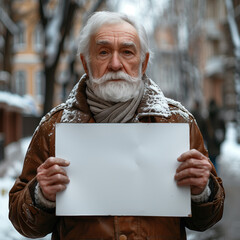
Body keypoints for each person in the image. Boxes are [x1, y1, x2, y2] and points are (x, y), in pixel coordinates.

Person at [9, 11, 224, 240]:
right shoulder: (54, 128)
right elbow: (24, 223)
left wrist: (203, 190)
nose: (115, 64)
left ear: (143, 63)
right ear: (85, 62)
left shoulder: (178, 122)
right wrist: (41, 195)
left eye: (127, 52)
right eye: (103, 52)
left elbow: (207, 219)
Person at [205, 99, 226, 172]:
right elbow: (224, 129)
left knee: (212, 161)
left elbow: (204, 130)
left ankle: (214, 176)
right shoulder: (219, 117)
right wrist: (222, 139)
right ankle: (216, 176)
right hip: (217, 142)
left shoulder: (207, 118)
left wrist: (206, 139)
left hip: (210, 143)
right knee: (215, 161)